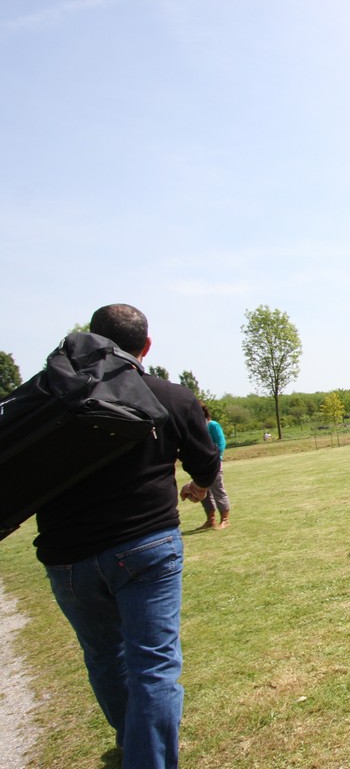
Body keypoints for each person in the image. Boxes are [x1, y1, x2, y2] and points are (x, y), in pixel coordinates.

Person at [32, 304, 221, 768]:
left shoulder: (48, 396)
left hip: (66, 554)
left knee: (103, 656)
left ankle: (131, 741)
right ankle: (146, 755)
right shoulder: (169, 395)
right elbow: (206, 461)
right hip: (145, 545)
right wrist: (199, 488)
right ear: (146, 346)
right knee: (153, 665)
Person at [197, 400, 232, 530]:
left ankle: (225, 519)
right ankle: (210, 520)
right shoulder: (195, 427)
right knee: (204, 493)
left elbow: (221, 443)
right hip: (199, 464)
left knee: (218, 490)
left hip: (213, 463)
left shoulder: (213, 425)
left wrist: (216, 458)